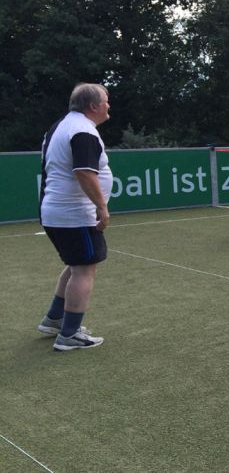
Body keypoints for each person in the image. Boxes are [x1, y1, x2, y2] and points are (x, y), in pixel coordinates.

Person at [36, 83, 113, 351]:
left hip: (57, 211)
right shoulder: (82, 130)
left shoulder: (61, 125)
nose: (108, 105)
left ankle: (54, 320)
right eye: (106, 101)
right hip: (75, 214)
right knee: (83, 269)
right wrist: (101, 207)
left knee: (73, 265)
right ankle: (69, 335)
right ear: (93, 106)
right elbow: (84, 173)